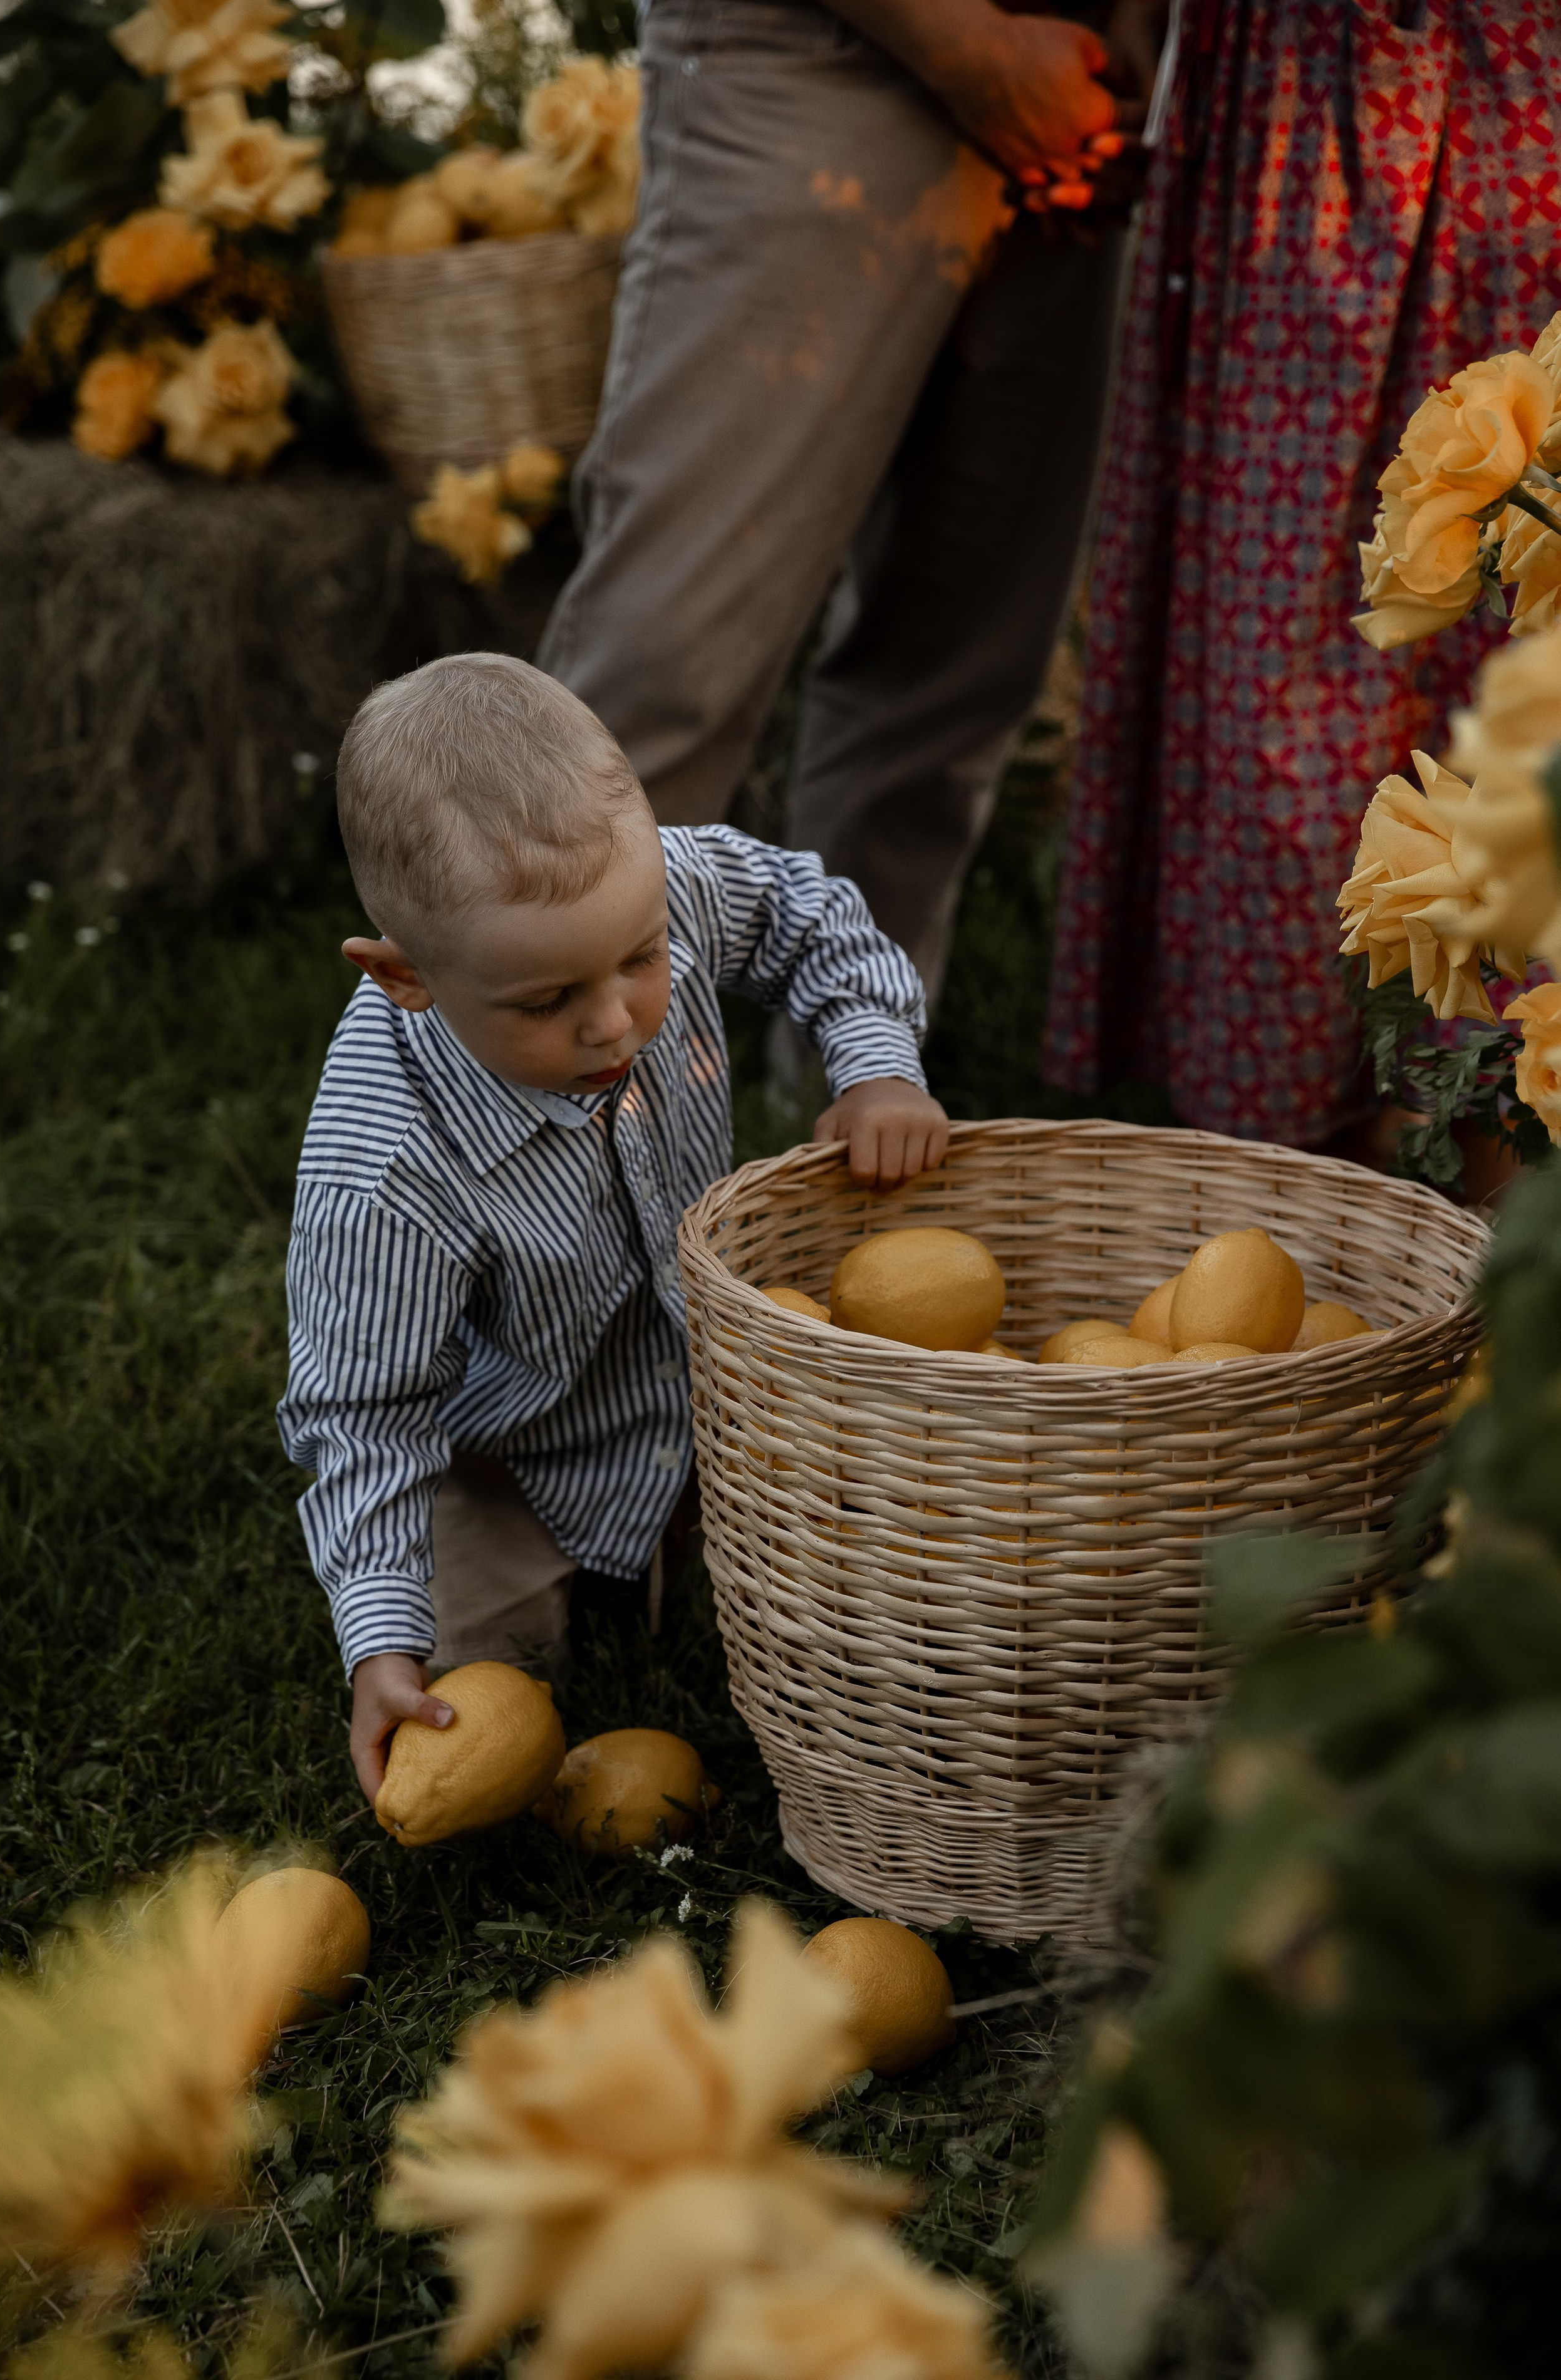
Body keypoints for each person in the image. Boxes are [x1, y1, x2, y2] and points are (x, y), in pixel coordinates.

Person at [277, 652, 948, 1803]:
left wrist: (878, 1068)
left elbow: (809, 916)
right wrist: (382, 1642)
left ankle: (680, 1522)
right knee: (479, 1702)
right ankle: (493, 1591)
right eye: (546, 1003)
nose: (614, 1019)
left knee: (863, 1588)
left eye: (642, 960)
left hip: (701, 1379)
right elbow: (363, 1412)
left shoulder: (659, 888)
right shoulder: (388, 1170)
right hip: (502, 1455)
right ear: (405, 977)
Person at [536, 0, 1135, 1006]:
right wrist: (973, 48)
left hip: (1077, 85)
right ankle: (501, 1116)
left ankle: (852, 1096)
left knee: (955, 670)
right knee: (670, 655)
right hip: (821, 55)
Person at [1042, 0, 1561, 1149]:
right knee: (1298, 642)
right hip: (1323, 94)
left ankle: (1493, 1128)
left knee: (1519, 605)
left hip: (1503, 96)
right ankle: (1311, 1160)